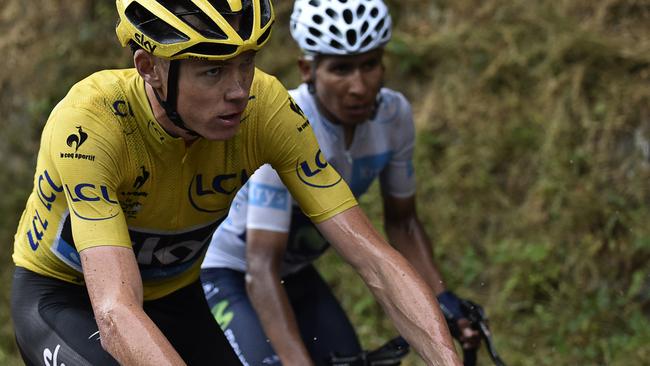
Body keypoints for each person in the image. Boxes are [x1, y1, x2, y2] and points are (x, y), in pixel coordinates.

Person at [10, 0, 461, 365]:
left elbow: (374, 259)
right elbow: (114, 311)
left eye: (246, 64)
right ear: (149, 67)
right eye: (213, 71)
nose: (238, 90)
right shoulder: (90, 125)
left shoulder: (265, 109)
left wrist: (446, 359)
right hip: (65, 298)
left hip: (176, 296)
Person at [201, 0, 483, 365]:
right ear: (308, 69)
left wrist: (443, 301)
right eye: (341, 69)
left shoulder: (394, 117)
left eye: (369, 65)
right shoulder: (285, 121)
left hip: (294, 271)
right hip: (232, 270)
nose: (358, 86)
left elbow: (404, 223)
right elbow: (260, 266)